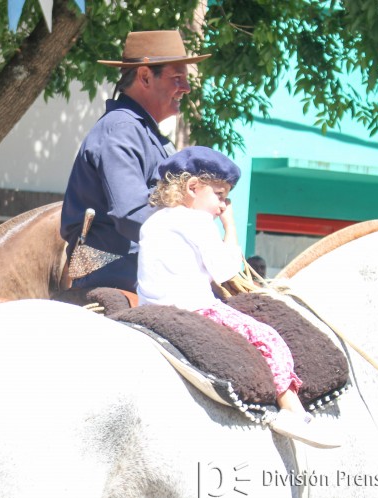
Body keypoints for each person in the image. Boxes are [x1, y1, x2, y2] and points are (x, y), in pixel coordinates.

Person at [136, 146, 339, 448]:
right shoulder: (196, 221)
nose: (223, 205)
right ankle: (290, 409)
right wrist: (229, 227)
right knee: (266, 336)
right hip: (192, 308)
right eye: (220, 195)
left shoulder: (153, 222)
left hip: (149, 308)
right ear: (193, 187)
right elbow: (227, 270)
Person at [61, 30, 210, 291]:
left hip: (138, 270)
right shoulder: (121, 129)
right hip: (112, 273)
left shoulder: (140, 131)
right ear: (144, 76)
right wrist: (194, 239)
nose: (186, 88)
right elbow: (131, 213)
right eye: (177, 78)